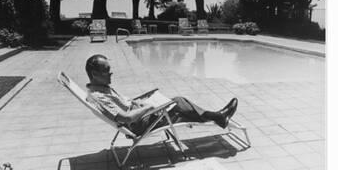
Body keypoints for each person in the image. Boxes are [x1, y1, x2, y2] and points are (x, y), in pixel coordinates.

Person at [85, 54, 238, 136]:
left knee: (180, 106)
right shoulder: (99, 96)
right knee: (178, 103)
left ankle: (214, 116)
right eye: (106, 70)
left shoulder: (101, 88)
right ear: (94, 74)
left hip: (140, 115)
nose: (111, 73)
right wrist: (149, 107)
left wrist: (139, 102)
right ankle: (218, 116)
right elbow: (127, 118)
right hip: (139, 124)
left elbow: (125, 107)